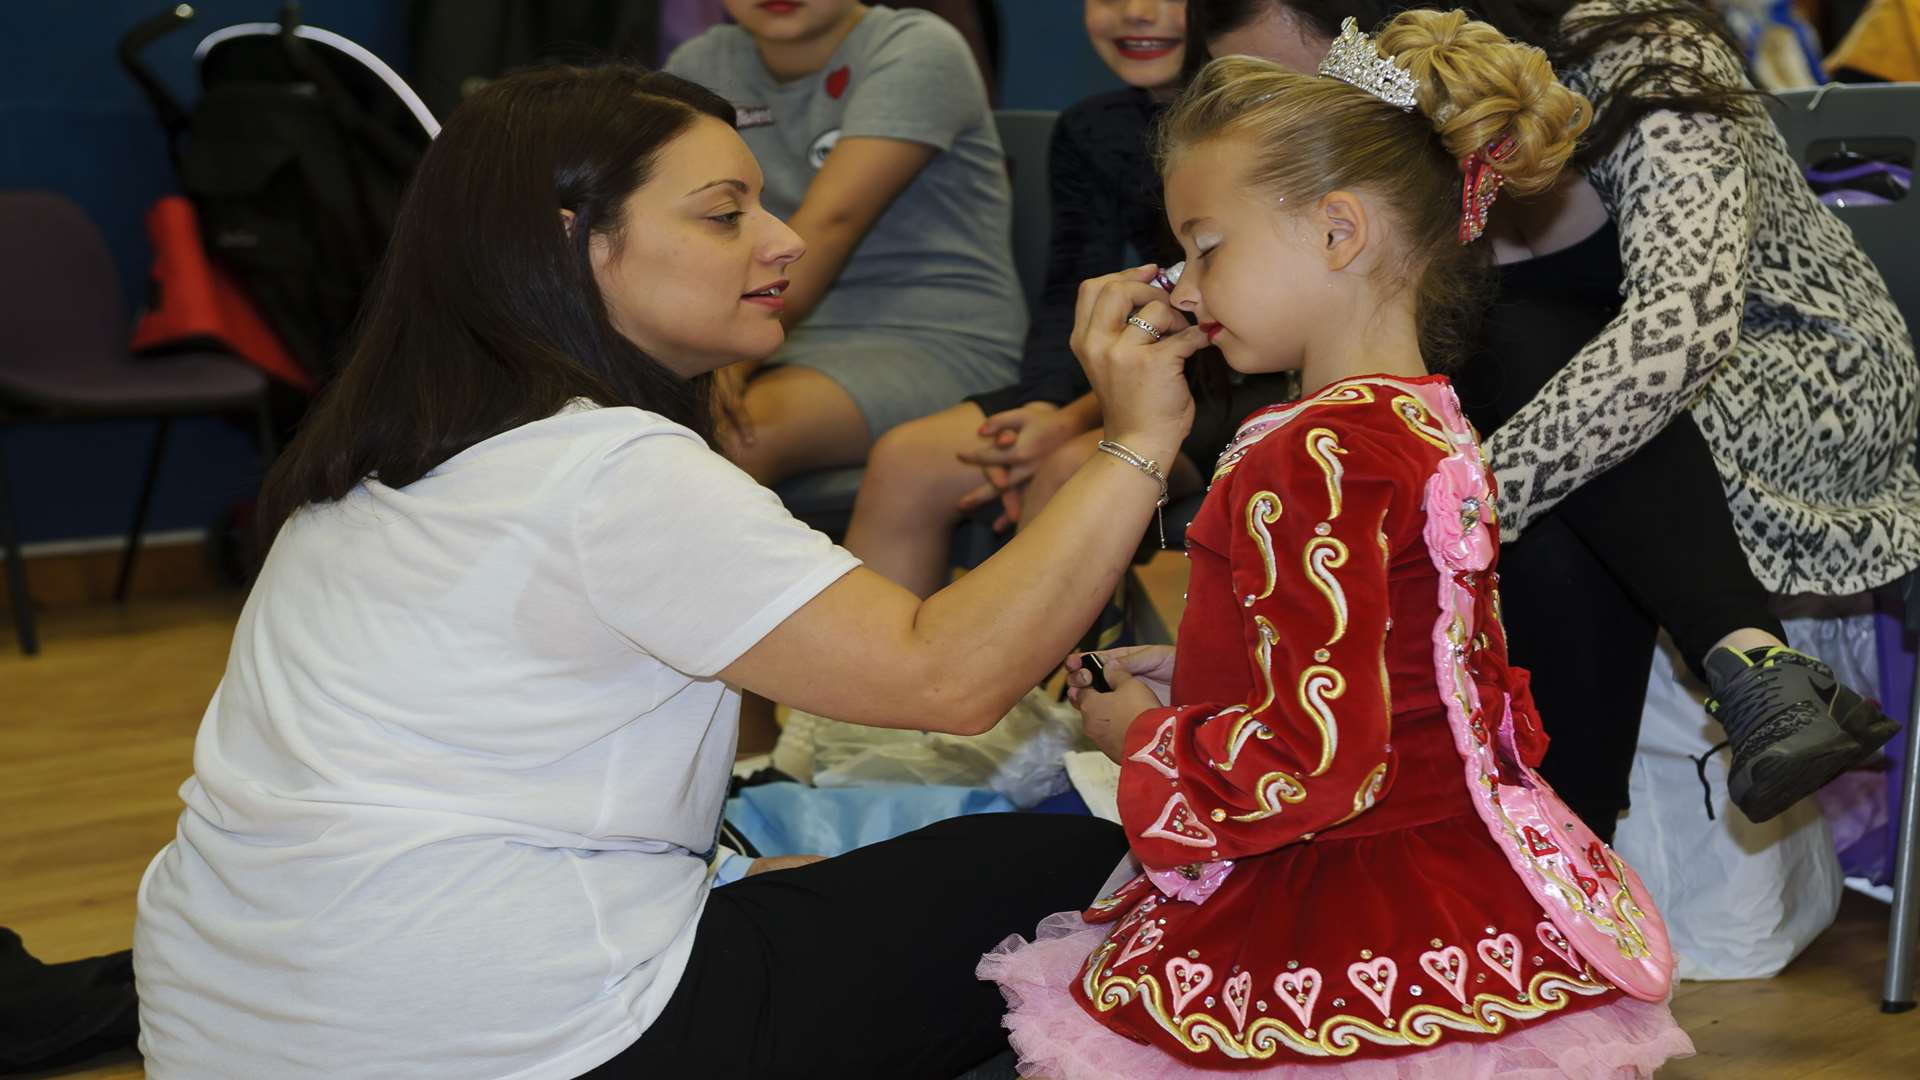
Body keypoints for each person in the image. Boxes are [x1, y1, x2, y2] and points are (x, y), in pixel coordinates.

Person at [131, 65, 1212, 1079]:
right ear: (578, 243)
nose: (782, 240)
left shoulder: (385, 452)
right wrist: (1139, 436)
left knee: (865, 875)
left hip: (233, 1022)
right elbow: (949, 679)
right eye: (724, 212)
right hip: (499, 1035)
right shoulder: (607, 467)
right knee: (1085, 876)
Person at [980, 15, 1696, 1075]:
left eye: (1206, 247)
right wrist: (1204, 670)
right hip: (1454, 880)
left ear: (1338, 232)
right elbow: (1405, 659)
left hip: (1336, 901)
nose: (1184, 285)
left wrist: (1143, 734)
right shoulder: (1419, 417)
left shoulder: (1312, 454)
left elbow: (1316, 760)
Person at [1189, 0, 1914, 837]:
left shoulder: (1642, 55)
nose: (1276, 125)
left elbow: (1681, 326)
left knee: (1528, 370)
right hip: (1592, 437)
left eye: (1288, 80)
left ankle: (1563, 843)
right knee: (1513, 376)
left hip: (1791, 380)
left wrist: (1458, 510)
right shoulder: (1363, 168)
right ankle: (1732, 686)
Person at [845, 0, 1294, 600]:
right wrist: (1042, 410)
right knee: (908, 461)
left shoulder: (1281, 127)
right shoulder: (1094, 127)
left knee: (1068, 470)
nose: (1138, 13)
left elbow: (1200, 326)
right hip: (1122, 372)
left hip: (1232, 380)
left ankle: (1024, 683)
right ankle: (887, 687)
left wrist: (1071, 426)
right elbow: (1071, 289)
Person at [663, 1, 1025, 487]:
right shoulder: (699, 65)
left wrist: (726, 361)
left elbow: (830, 224)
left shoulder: (915, 46)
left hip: (928, 340)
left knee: (728, 441)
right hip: (761, 332)